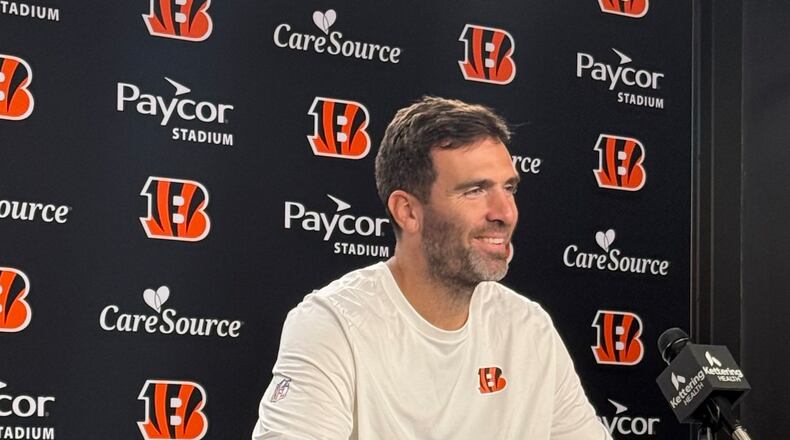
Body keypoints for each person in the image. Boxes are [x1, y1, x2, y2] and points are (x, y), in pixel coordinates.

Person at [252, 97, 611, 439]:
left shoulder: (528, 327)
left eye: (509, 188)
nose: (505, 213)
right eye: (474, 190)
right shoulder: (334, 325)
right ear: (407, 211)